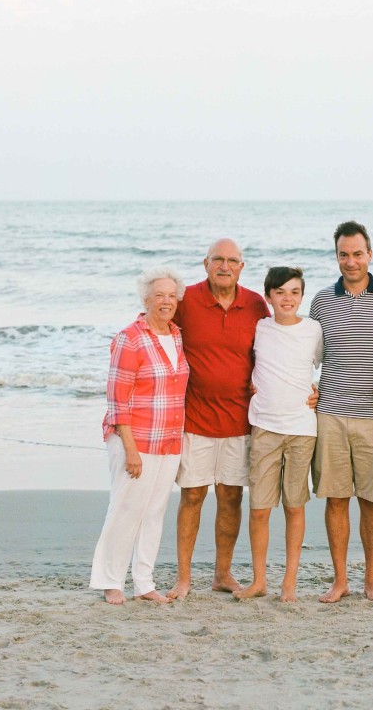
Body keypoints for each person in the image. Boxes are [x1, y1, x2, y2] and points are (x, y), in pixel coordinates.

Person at [166, 239, 270, 599]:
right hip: (195, 418)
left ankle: (222, 574)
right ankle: (183, 578)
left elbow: (274, 348)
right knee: (192, 496)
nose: (224, 266)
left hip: (240, 420)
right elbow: (156, 328)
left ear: (242, 266)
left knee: (230, 498)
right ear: (205, 263)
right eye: (218, 260)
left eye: (232, 260)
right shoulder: (187, 300)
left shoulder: (256, 304)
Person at [307, 221, 373, 603]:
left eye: (357, 254)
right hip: (329, 413)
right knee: (335, 498)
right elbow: (307, 355)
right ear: (337, 256)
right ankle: (341, 579)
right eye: (344, 254)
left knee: (371, 500)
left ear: (370, 254)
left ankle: (371, 579)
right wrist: (305, 389)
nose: (351, 261)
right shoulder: (321, 301)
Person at [89, 267, 189, 605]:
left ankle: (144, 582)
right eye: (158, 295)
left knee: (154, 512)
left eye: (171, 296)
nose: (166, 301)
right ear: (145, 300)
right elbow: (117, 399)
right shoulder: (129, 337)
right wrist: (130, 450)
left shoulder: (176, 335)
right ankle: (110, 580)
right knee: (125, 510)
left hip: (169, 440)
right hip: (135, 441)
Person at [234, 267, 322, 603]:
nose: (288, 298)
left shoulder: (313, 329)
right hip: (265, 428)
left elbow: (322, 365)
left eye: (295, 292)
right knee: (259, 508)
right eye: (281, 292)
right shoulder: (259, 327)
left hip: (301, 428)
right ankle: (259, 581)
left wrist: (318, 391)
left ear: (302, 296)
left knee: (294, 506)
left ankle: (289, 582)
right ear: (268, 296)